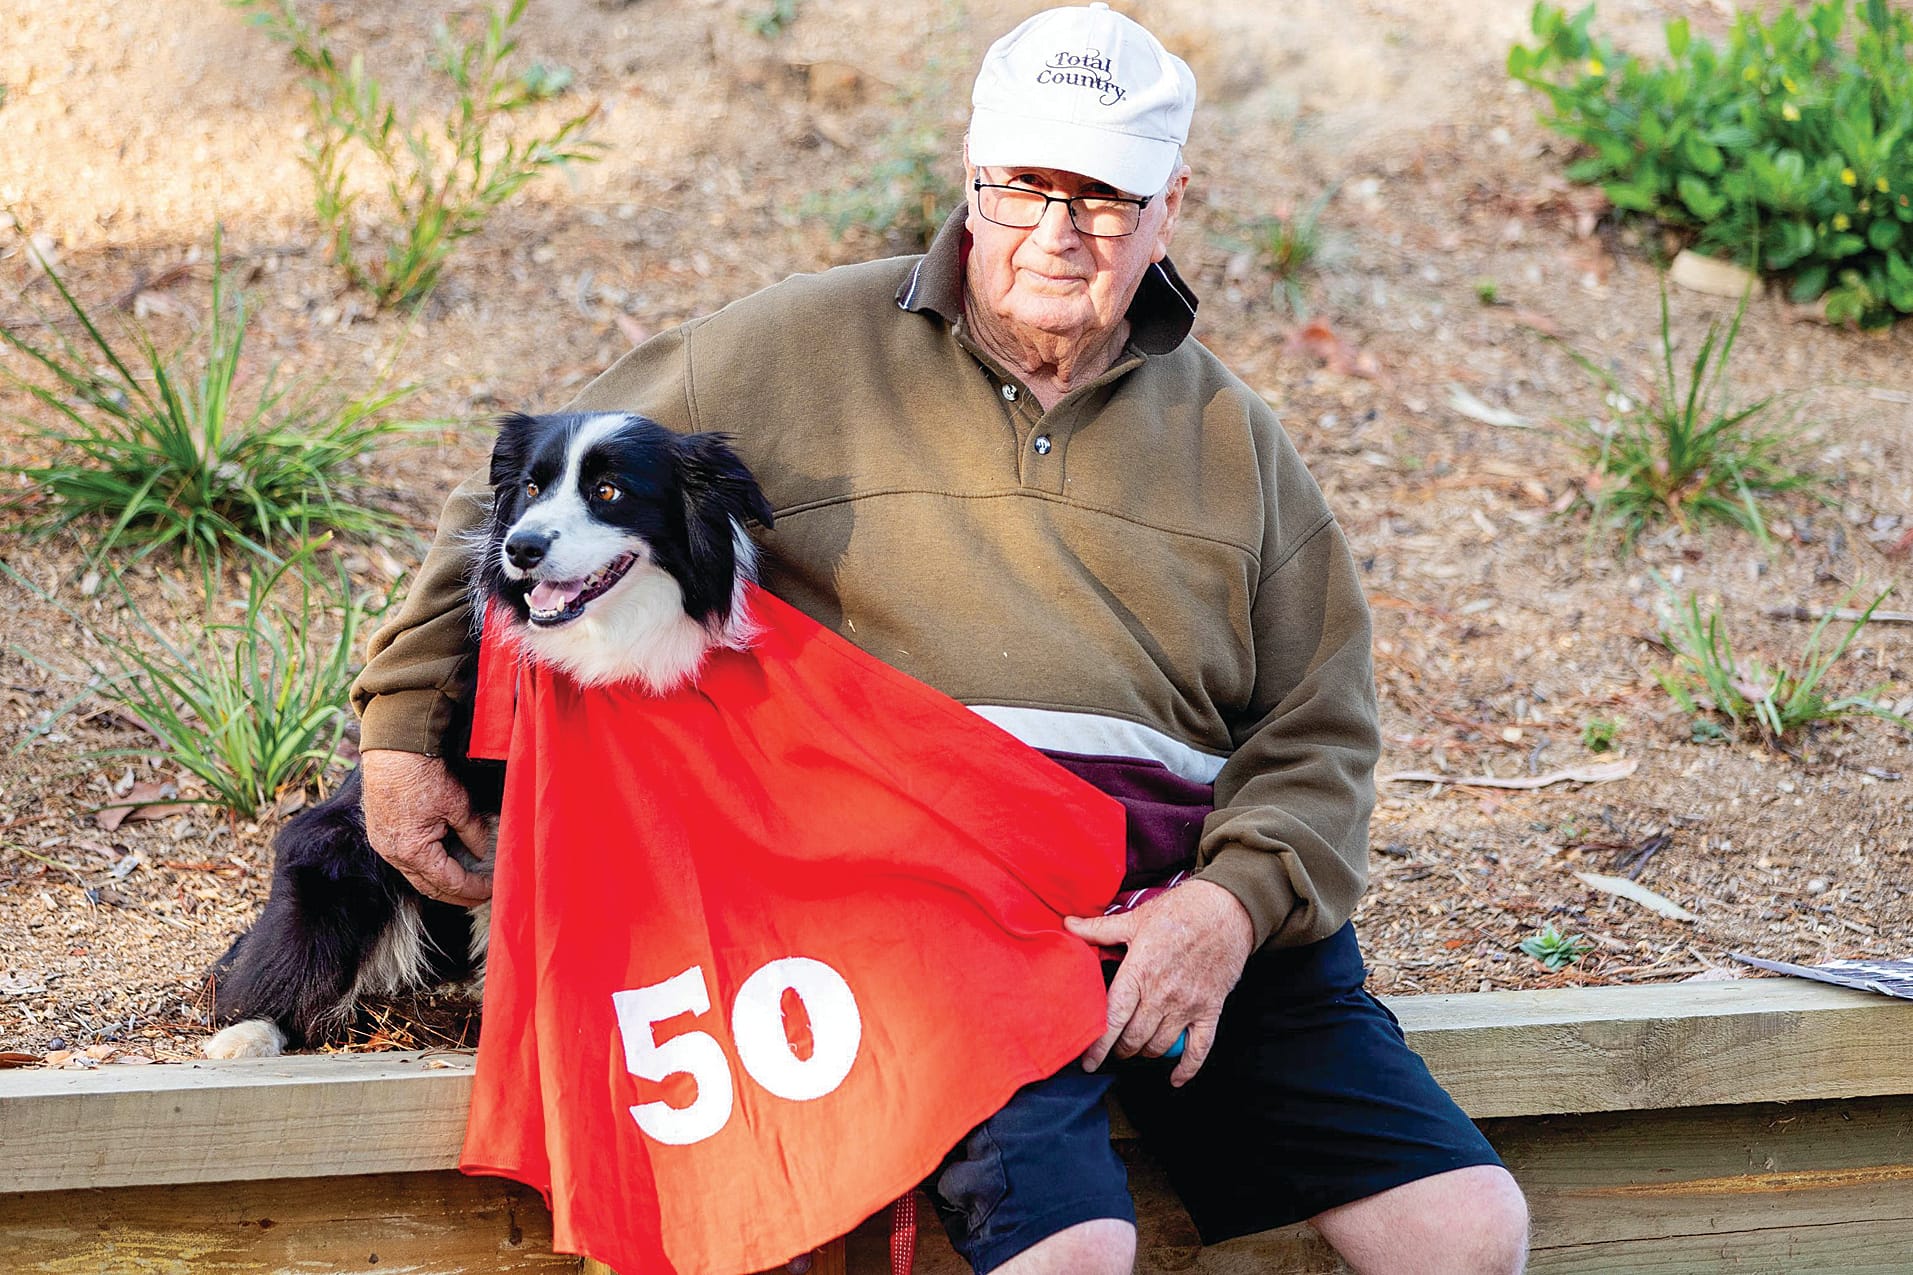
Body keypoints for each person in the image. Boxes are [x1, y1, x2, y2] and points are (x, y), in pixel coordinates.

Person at [349, 4, 1530, 1272]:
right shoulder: (792, 346)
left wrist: (1229, 912)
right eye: (1023, 189)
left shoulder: (1236, 443)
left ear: (1168, 207)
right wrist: (406, 730)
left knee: (1466, 1230)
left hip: (1177, 893)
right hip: (931, 901)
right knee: (1070, 1254)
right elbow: (533, 491)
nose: (1056, 233)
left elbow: (1319, 725)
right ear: (970, 179)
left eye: (1104, 199)